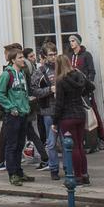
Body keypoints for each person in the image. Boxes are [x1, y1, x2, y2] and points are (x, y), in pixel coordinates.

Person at [52, 54, 94, 185]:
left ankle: (77, 176)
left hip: (67, 117)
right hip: (80, 114)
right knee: (80, 146)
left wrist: (54, 122)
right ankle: (85, 174)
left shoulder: (60, 81)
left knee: (73, 147)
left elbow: (59, 104)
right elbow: (91, 87)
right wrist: (81, 93)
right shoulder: (78, 75)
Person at [0, 49, 33, 186]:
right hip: (13, 115)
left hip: (23, 114)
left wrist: (27, 105)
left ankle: (19, 171)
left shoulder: (22, 73)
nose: (23, 59)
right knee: (11, 145)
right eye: (20, 57)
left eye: (23, 57)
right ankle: (12, 174)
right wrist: (11, 107)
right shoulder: (7, 74)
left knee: (19, 145)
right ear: (13, 60)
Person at [0, 43, 23, 171]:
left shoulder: (17, 71)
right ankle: (11, 167)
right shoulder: (9, 72)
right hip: (13, 110)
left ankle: (9, 167)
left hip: (15, 111)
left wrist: (15, 107)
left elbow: (20, 92)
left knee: (11, 142)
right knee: (11, 141)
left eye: (5, 53)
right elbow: (0, 93)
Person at [67, 34, 104, 148]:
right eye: (70, 41)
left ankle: (100, 138)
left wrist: (89, 83)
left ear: (78, 42)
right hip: (73, 90)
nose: (71, 43)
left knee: (93, 113)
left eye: (73, 41)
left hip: (85, 90)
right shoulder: (69, 56)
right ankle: (83, 141)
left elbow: (92, 71)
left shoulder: (86, 55)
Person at [30, 44, 61, 178]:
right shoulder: (40, 71)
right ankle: (54, 168)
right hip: (48, 110)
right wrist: (49, 90)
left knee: (66, 141)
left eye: (55, 54)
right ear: (43, 56)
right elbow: (33, 90)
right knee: (51, 142)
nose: (53, 57)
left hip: (63, 109)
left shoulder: (62, 68)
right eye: (50, 55)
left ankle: (67, 167)